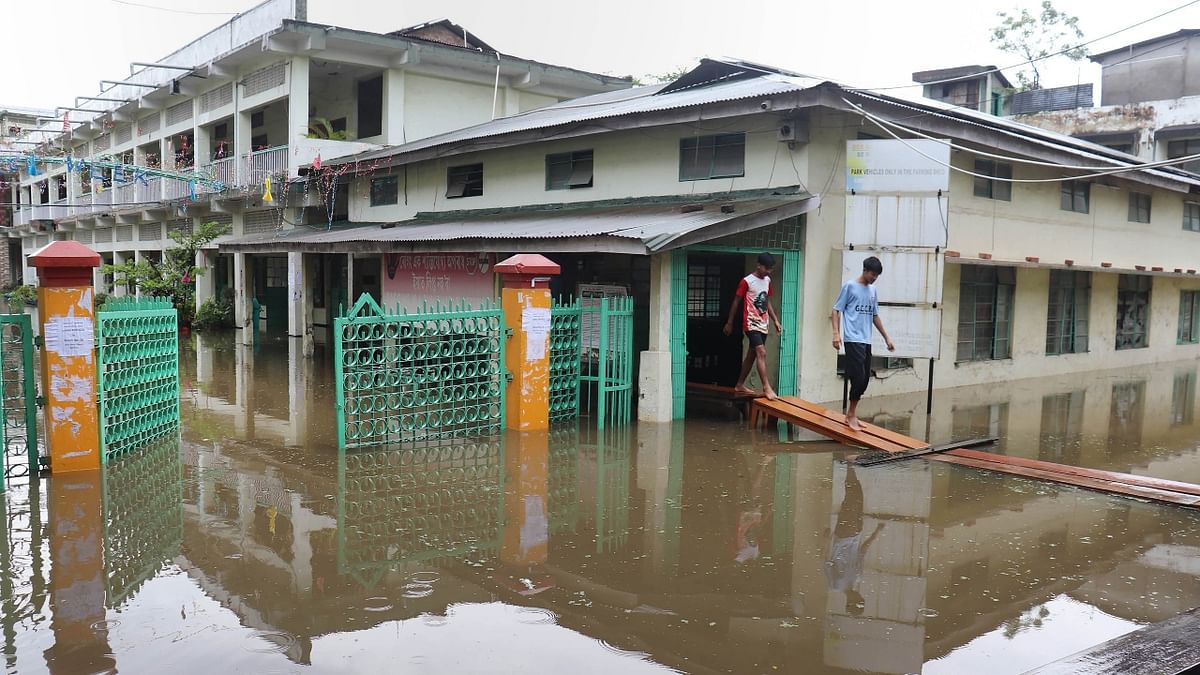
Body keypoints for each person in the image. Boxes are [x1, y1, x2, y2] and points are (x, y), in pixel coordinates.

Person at [831, 256, 894, 431]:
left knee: (865, 379)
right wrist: (836, 334)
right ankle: (850, 415)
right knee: (858, 377)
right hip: (852, 339)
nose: (874, 278)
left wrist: (886, 337)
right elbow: (836, 310)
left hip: (866, 340)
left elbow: (874, 315)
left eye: (877, 276)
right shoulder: (850, 287)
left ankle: (852, 414)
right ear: (865, 270)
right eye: (873, 274)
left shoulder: (873, 290)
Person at [724, 253, 783, 400]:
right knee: (761, 352)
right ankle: (767, 387)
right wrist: (730, 322)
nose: (769, 272)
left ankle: (739, 384)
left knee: (751, 355)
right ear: (759, 266)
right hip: (750, 323)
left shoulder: (767, 280)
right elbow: (736, 301)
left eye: (770, 269)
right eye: (767, 268)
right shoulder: (747, 281)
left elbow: (766, 301)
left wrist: (775, 320)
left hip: (763, 323)